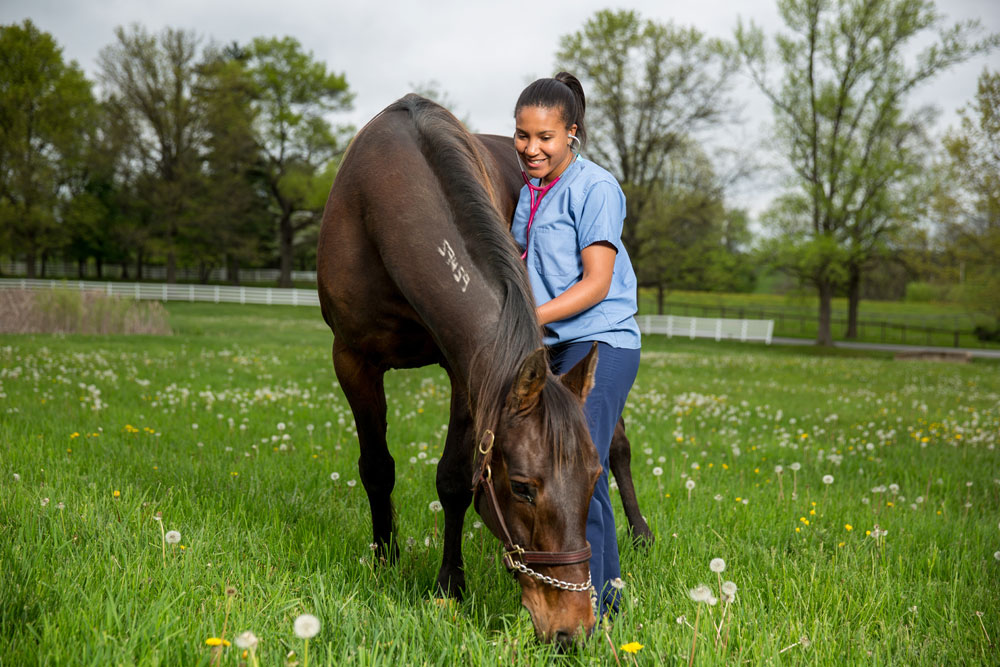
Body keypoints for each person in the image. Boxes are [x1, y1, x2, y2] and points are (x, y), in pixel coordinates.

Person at [510, 72, 641, 620]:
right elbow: (523, 262)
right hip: (554, 346)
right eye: (522, 135)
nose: (532, 148)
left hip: (602, 342)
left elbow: (596, 283)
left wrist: (529, 317)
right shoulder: (531, 192)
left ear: (572, 134)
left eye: (546, 137)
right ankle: (577, 586)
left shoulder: (596, 188)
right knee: (549, 464)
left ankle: (604, 605)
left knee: (577, 467)